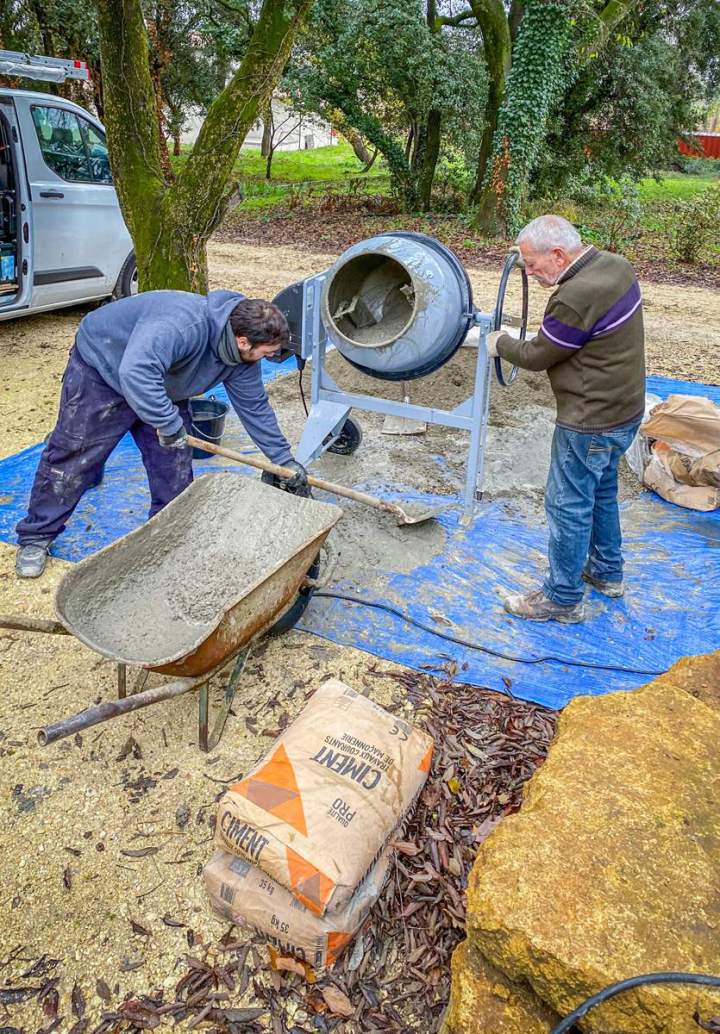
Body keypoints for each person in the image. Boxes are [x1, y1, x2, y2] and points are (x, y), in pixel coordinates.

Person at [15, 290, 309, 578]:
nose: (270, 358)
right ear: (243, 341)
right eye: (268, 352)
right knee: (73, 457)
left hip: (162, 385)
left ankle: (167, 539)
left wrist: (283, 460)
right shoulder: (182, 325)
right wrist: (168, 423)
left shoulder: (243, 360)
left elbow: (255, 409)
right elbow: (136, 373)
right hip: (105, 371)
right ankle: (36, 537)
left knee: (175, 468)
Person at [486, 215, 646, 623]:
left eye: (534, 265)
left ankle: (561, 597)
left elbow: (538, 356)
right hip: (625, 410)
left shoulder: (573, 297)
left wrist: (498, 343)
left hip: (590, 419)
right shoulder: (617, 267)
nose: (532, 273)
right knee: (602, 491)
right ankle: (607, 572)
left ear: (558, 254)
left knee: (567, 504)